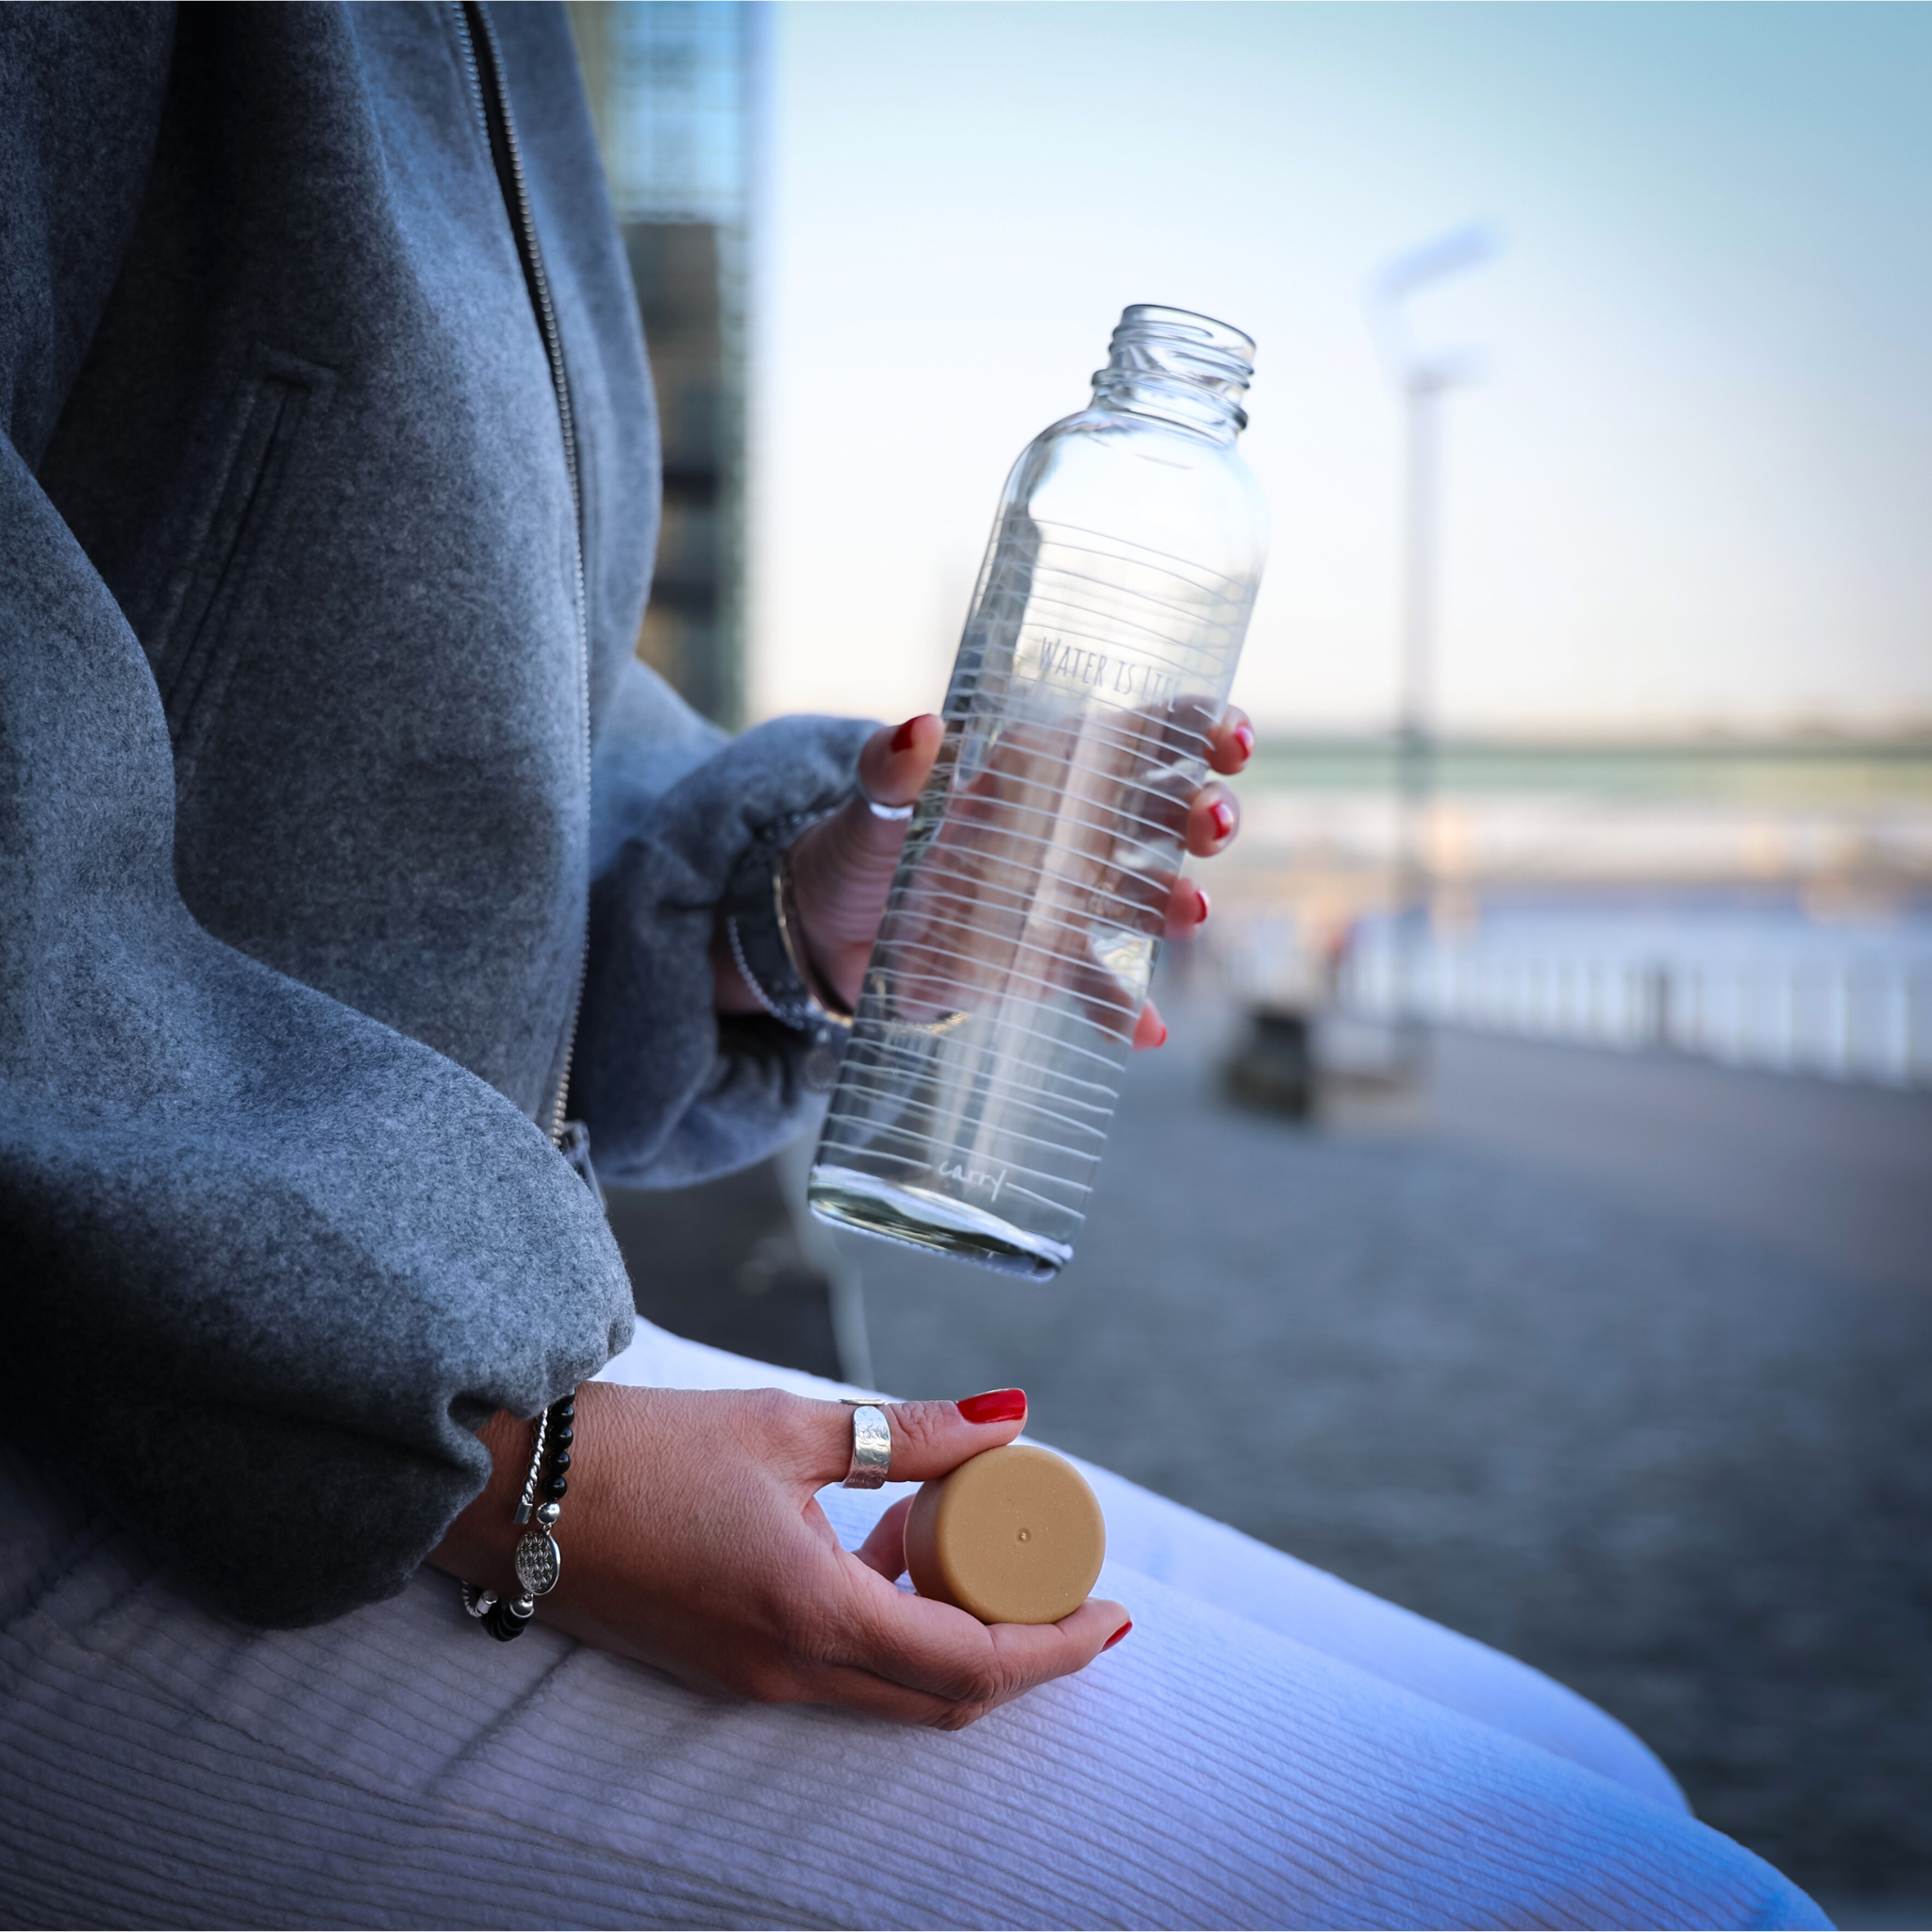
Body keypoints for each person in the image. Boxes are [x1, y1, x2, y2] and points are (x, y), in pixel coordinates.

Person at [0, 7, 1826, 1926]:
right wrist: (512, 1472)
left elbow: (413, 711)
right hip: (148, 1364)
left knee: (1589, 1763)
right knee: (1629, 1896)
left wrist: (781, 891)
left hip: (398, 1291)